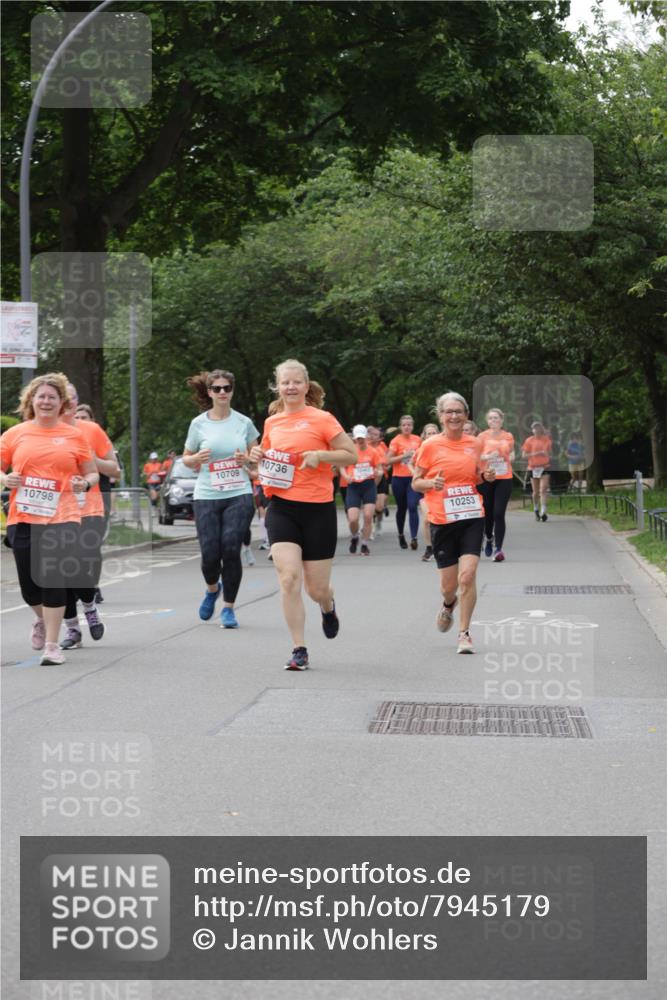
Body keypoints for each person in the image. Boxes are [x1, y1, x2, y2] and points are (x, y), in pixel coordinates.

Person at [249, 359, 356, 670]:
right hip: (281, 507)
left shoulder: (322, 419)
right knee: (288, 578)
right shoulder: (272, 423)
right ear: (277, 387)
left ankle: (328, 605)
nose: (291, 387)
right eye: (285, 382)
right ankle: (299, 648)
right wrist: (256, 456)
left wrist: (321, 455)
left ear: (306, 387)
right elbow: (268, 462)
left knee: (316, 588)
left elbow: (352, 454)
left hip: (318, 508)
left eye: (296, 382)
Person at [0, 373, 98, 665]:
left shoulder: (74, 436)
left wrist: (85, 483)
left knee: (53, 577)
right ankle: (42, 620)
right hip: (24, 515)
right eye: (40, 396)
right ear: (31, 400)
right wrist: (7, 478)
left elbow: (91, 472)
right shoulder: (14, 434)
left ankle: (53, 646)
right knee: (30, 586)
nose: (45, 401)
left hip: (63, 515)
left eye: (51, 397)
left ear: (61, 403)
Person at [412, 391, 495, 654]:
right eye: (448, 412)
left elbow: (478, 477)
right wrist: (431, 483)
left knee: (468, 576)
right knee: (448, 587)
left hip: (471, 515)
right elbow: (416, 482)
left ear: (466, 415)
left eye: (458, 411)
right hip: (441, 518)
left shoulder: (476, 444)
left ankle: (464, 633)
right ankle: (448, 604)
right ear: (441, 416)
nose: (454, 416)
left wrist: (487, 476)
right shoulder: (430, 446)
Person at [182, 369, 258, 628]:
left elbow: (257, 460)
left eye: (227, 388)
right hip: (207, 495)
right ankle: (213, 589)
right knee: (210, 554)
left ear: (232, 391)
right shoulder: (198, 423)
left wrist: (247, 459)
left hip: (239, 492)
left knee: (230, 547)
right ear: (209, 392)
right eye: (217, 389)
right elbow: (186, 458)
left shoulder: (244, 423)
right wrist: (196, 459)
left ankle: (228, 608)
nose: (222, 392)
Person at [60, 384, 119, 648]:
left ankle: (89, 606)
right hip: (56, 511)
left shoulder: (91, 430)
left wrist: (92, 460)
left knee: (79, 565)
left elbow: (114, 471)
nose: (69, 402)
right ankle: (73, 629)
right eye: (65, 397)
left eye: (73, 397)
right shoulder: (41, 432)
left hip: (89, 508)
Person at [477, 408, 515, 561]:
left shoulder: (508, 436)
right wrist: (488, 456)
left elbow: (511, 452)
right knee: (487, 512)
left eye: (496, 418)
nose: (494, 421)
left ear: (501, 420)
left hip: (504, 477)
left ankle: (498, 549)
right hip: (487, 477)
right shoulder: (481, 436)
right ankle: (489, 537)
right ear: (487, 421)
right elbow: (477, 455)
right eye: (491, 418)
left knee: (499, 513)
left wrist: (511, 457)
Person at [385, 415, 422, 550]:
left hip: (412, 478)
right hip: (398, 478)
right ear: (400, 427)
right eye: (404, 425)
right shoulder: (396, 441)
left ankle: (414, 538)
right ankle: (401, 534)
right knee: (402, 508)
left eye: (409, 425)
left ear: (412, 426)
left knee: (412, 506)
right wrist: (403, 456)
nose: (407, 427)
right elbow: (387, 460)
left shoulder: (418, 440)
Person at [344, 425, 382, 556]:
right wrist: (345, 476)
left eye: (362, 438)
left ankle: (364, 544)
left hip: (368, 485)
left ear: (366, 437)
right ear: (354, 438)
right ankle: (355, 536)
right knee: (353, 518)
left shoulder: (373, 452)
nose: (360, 440)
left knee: (367, 516)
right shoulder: (350, 451)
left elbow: (380, 469)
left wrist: (377, 474)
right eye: (357, 438)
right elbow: (341, 466)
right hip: (353, 486)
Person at [415, 423, 440, 561]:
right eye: (428, 433)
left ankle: (442, 546)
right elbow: (411, 464)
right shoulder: (421, 450)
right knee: (426, 520)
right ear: (424, 436)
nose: (431, 436)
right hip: (425, 489)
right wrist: (417, 478)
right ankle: (429, 548)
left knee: (441, 520)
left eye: (434, 433)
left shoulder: (443, 449)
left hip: (441, 489)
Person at [522, 421, 552, 522]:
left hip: (545, 467)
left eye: (538, 427)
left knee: (543, 490)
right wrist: (537, 453)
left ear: (541, 429)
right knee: (535, 492)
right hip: (533, 468)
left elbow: (550, 454)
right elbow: (524, 456)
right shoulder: (529, 441)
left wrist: (547, 454)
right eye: (534, 428)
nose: (536, 430)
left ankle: (543, 511)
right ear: (532, 430)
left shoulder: (546, 440)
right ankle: (536, 509)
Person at [368, 426, 389, 536]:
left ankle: (379, 522)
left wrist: (385, 466)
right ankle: (369, 527)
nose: (372, 436)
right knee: (370, 504)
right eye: (370, 434)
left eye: (375, 435)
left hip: (381, 478)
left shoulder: (382, 447)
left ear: (380, 438)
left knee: (379, 506)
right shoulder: (365, 446)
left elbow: (386, 462)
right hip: (368, 478)